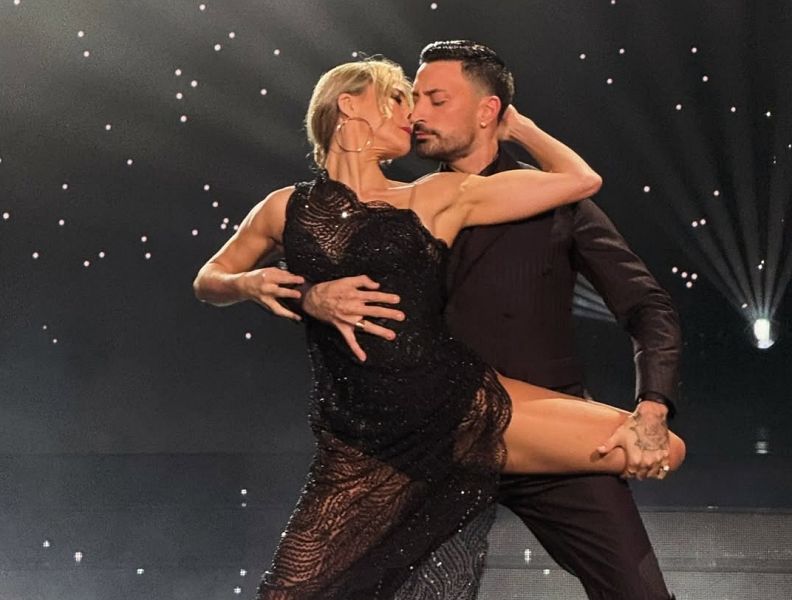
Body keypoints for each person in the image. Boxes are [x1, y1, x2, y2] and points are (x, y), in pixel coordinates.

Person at [193, 56, 685, 600]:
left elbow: (587, 190)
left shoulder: (437, 195)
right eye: (403, 99)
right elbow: (212, 278)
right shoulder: (288, 206)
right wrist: (283, 290)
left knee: (656, 489)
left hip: (480, 411)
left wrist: (517, 126)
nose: (413, 114)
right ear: (348, 105)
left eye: (431, 100)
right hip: (376, 442)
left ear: (486, 110)